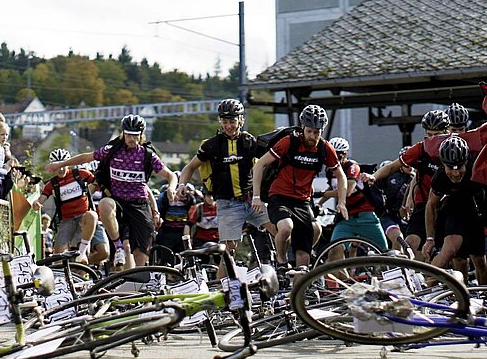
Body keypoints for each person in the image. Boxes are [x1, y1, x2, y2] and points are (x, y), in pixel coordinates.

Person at [46, 114, 177, 270]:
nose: (132, 139)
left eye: (136, 136)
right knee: (104, 204)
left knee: (140, 254)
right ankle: (118, 247)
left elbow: (171, 175)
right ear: (123, 134)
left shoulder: (147, 155)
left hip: (139, 204)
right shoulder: (112, 150)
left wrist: (171, 188)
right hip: (118, 202)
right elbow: (86, 157)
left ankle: (137, 278)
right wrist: (61, 164)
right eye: (128, 135)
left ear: (141, 135)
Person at [179, 99, 276, 278]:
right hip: (227, 204)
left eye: (232, 121)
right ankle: (220, 289)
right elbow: (190, 167)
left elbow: (268, 161)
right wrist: (181, 185)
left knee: (280, 230)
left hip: (252, 200)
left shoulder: (249, 141)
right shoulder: (211, 145)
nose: (228, 126)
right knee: (228, 251)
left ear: (241, 120)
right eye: (225, 121)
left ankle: (287, 272)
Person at [252, 105, 348, 270]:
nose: (312, 136)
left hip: (302, 200)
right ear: (302, 127)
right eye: (309, 131)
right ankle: (281, 262)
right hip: (280, 195)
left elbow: (341, 175)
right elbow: (259, 164)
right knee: (286, 227)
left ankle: (300, 280)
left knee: (306, 252)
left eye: (316, 132)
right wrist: (256, 196)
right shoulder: (289, 142)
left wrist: (342, 202)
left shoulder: (324, 148)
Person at [363, 110, 450, 261]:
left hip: (448, 203)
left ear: (446, 133)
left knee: (452, 254)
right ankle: (416, 275)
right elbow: (392, 166)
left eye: (436, 135)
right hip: (424, 204)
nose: (432, 139)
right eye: (429, 135)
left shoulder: (455, 148)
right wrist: (374, 176)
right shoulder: (420, 149)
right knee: (411, 245)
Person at [422, 136, 487, 284]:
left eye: (460, 167)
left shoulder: (476, 168)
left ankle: (484, 292)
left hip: (475, 210)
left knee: (479, 260)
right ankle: (425, 286)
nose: (456, 173)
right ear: (443, 165)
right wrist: (430, 238)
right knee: (453, 255)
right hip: (453, 209)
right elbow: (431, 205)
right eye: (450, 168)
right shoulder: (439, 177)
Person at [317, 136, 387, 261]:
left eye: (341, 154)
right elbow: (332, 187)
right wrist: (319, 203)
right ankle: (344, 274)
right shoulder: (330, 170)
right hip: (346, 218)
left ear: (346, 154)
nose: (337, 157)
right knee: (334, 250)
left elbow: (347, 191)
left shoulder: (352, 167)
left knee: (384, 253)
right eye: (334, 154)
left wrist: (324, 194)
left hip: (366, 216)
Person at [33, 149, 97, 264]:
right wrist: (37, 203)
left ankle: (82, 257)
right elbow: (42, 198)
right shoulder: (52, 183)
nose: (61, 169)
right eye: (57, 166)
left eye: (63, 165)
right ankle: (62, 273)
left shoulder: (80, 174)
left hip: (83, 216)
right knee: (58, 254)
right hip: (67, 219)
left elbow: (97, 182)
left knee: (91, 216)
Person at [374, 155, 413, 253]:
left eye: (413, 164)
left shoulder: (415, 177)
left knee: (410, 247)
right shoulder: (391, 174)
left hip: (407, 218)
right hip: (388, 216)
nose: (410, 167)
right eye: (407, 164)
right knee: (398, 239)